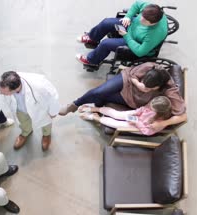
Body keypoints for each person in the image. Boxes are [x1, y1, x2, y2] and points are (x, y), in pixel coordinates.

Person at [59, 62, 187, 131]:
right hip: (127, 81)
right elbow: (132, 75)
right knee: (99, 92)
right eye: (145, 83)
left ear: (158, 86)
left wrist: (163, 123)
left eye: (149, 88)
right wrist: (138, 83)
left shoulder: (170, 90)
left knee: (102, 97)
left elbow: (183, 116)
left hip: (133, 99)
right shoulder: (150, 67)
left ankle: (95, 110)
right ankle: (74, 105)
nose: (145, 87)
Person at [76, 0, 168, 66]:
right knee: (106, 22)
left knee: (105, 44)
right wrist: (128, 16)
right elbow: (137, 4)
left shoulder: (155, 34)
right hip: (132, 27)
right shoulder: (151, 9)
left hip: (134, 42)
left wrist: (126, 36)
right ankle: (92, 39)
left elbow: (140, 52)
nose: (140, 19)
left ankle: (92, 60)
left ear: (153, 23)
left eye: (144, 20)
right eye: (141, 16)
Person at [0, 71, 60, 151]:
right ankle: (26, 132)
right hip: (20, 108)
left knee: (45, 122)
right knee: (23, 121)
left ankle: (46, 135)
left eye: (3, 93)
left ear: (15, 90)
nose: (0, 93)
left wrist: (53, 111)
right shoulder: (2, 84)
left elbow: (53, 96)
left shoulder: (39, 84)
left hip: (40, 108)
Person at [79, 96, 172, 136]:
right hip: (137, 117)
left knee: (116, 124)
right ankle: (96, 109)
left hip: (139, 128)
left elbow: (146, 131)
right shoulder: (154, 105)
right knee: (116, 114)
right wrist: (137, 112)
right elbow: (144, 109)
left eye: (152, 109)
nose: (150, 108)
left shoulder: (159, 123)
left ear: (159, 111)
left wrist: (137, 122)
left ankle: (96, 117)